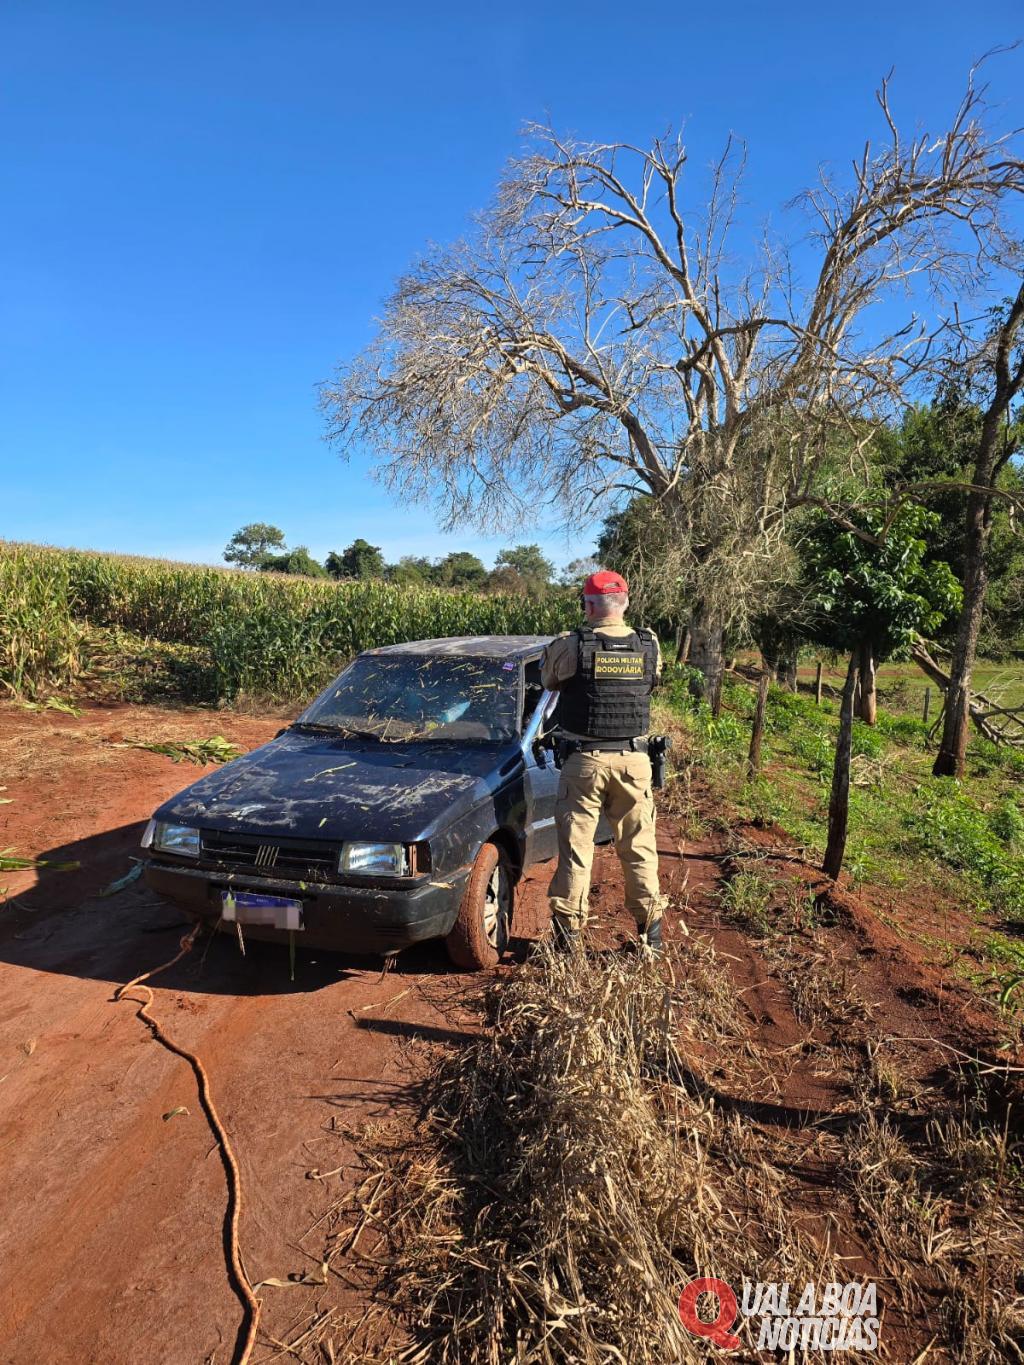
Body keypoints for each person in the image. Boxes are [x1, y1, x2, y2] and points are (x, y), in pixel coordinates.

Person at [542, 570, 670, 952]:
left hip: (584, 762)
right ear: (625, 602)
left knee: (576, 851)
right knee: (639, 847)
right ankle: (652, 939)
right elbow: (653, 682)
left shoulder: (571, 644)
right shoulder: (649, 644)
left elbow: (549, 681)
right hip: (633, 760)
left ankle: (567, 944)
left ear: (588, 605)